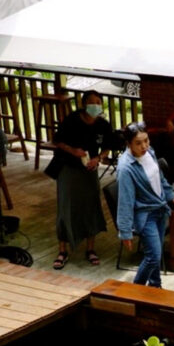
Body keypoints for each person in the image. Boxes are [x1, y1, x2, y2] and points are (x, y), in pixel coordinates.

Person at [45, 95, 119, 267]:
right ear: (84, 105)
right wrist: (73, 151)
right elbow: (57, 140)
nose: (95, 106)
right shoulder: (72, 120)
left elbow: (108, 146)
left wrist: (99, 158)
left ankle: (90, 249)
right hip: (68, 167)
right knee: (66, 206)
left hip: (89, 168)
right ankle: (62, 250)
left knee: (91, 205)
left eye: (98, 103)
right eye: (91, 103)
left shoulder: (102, 124)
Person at [116, 128, 173, 287]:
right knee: (154, 256)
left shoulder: (149, 153)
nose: (144, 146)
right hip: (145, 215)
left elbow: (160, 179)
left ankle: (155, 285)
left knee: (157, 252)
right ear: (129, 144)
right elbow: (125, 202)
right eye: (138, 143)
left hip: (160, 209)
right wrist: (125, 231)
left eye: (146, 140)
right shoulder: (126, 168)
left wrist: (171, 198)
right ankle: (137, 289)